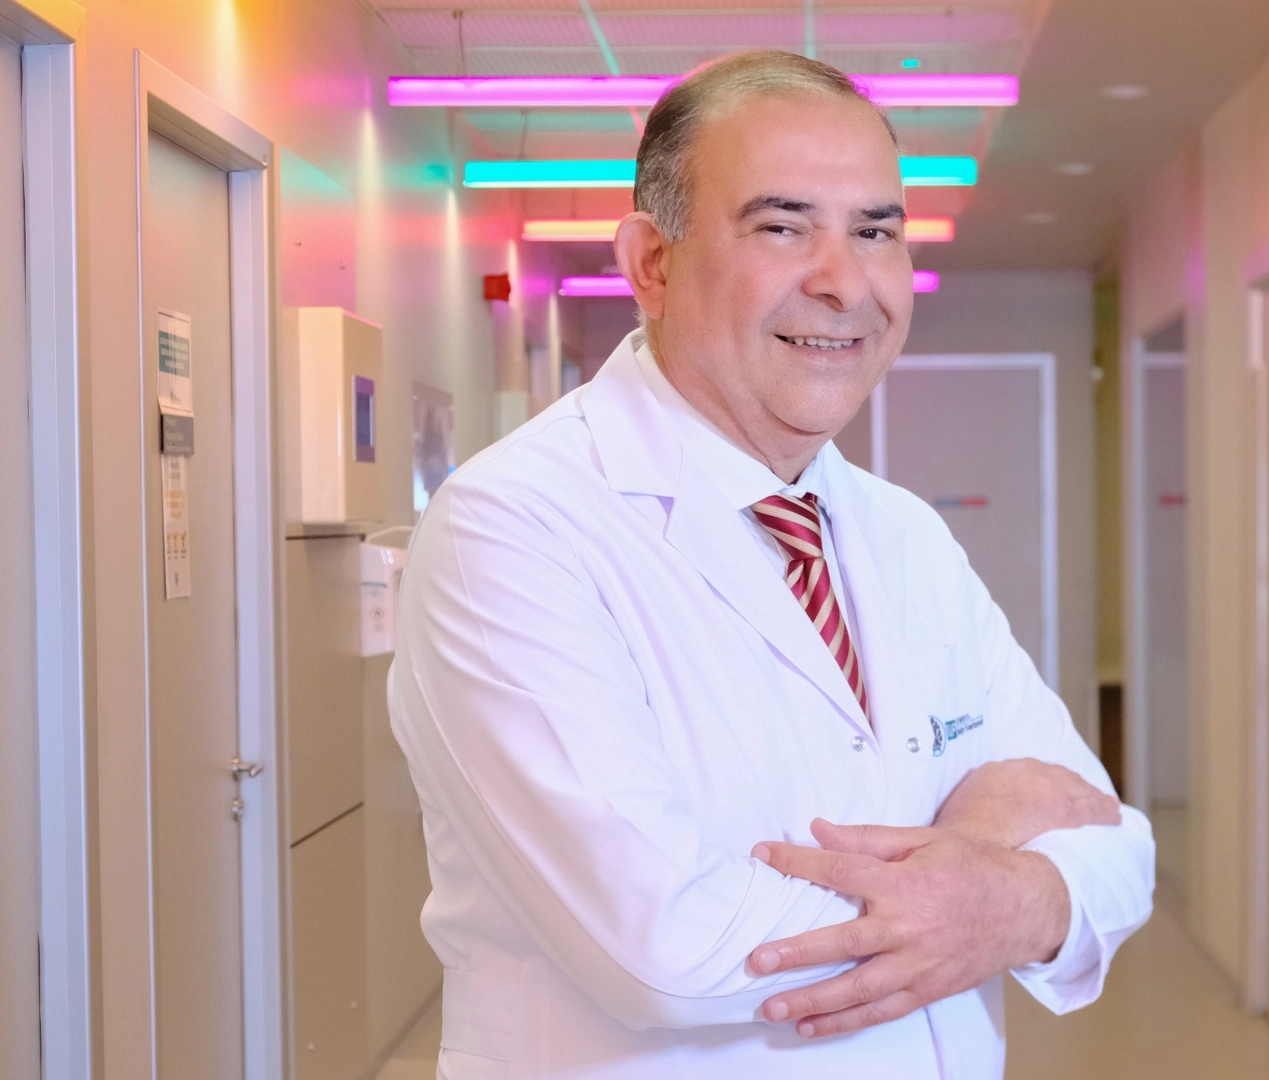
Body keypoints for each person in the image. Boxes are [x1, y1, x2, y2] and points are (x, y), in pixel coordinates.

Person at [389, 49, 1154, 1080]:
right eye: (782, 226)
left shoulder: (902, 534)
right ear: (651, 264)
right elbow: (666, 949)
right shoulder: (514, 528)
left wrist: (1017, 895)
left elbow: (1113, 839)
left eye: (875, 231)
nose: (843, 282)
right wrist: (985, 875)